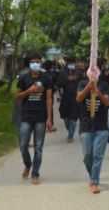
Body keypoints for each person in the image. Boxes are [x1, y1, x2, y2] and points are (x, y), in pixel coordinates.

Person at [16, 55, 53, 185]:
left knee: (38, 147)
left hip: (41, 117)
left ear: (41, 63)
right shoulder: (24, 78)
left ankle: (35, 173)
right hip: (26, 116)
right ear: (29, 64)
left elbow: (49, 99)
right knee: (23, 145)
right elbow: (18, 96)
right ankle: (28, 164)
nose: (35, 64)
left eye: (37, 62)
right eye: (33, 62)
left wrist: (50, 119)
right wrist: (29, 90)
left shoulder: (46, 79)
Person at [76, 57, 109, 194]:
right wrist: (88, 87)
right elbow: (79, 98)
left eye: (97, 69)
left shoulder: (104, 85)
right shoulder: (82, 83)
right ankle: (93, 176)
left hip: (101, 126)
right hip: (85, 125)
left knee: (98, 155)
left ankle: (94, 181)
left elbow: (107, 102)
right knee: (87, 156)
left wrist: (97, 90)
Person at [58, 56, 83, 142]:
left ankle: (70, 135)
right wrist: (67, 79)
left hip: (75, 97)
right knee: (65, 117)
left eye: (73, 63)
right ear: (66, 63)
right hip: (65, 97)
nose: (71, 64)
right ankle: (70, 129)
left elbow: (83, 83)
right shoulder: (62, 72)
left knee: (73, 116)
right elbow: (58, 84)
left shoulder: (79, 72)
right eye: (70, 63)